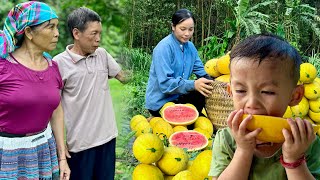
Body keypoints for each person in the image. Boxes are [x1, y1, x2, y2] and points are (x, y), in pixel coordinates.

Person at [209, 33, 320, 179]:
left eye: (267, 92)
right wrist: (243, 150)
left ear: (295, 96)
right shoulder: (226, 139)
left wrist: (295, 161)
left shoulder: (306, 141)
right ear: (230, 92)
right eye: (241, 91)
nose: (251, 103)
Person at [53, 7, 127, 180]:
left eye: (100, 33)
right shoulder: (58, 64)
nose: (98, 39)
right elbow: (53, 109)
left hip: (108, 139)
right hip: (79, 146)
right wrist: (60, 150)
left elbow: (124, 77)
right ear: (76, 33)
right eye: (93, 34)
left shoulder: (101, 55)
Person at [0, 1, 70, 179]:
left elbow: (56, 111)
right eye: (50, 27)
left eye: (57, 27)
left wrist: (62, 158)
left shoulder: (52, 67)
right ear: (29, 32)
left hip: (42, 151)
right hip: (7, 155)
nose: (57, 34)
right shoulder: (3, 67)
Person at [145, 9, 214, 117]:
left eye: (191, 29)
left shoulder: (190, 47)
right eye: (183, 29)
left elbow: (201, 71)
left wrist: (215, 81)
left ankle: (192, 118)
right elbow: (165, 84)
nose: (187, 34)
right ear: (173, 27)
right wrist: (193, 84)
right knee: (196, 89)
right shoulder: (163, 48)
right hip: (160, 102)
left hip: (178, 97)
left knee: (201, 91)